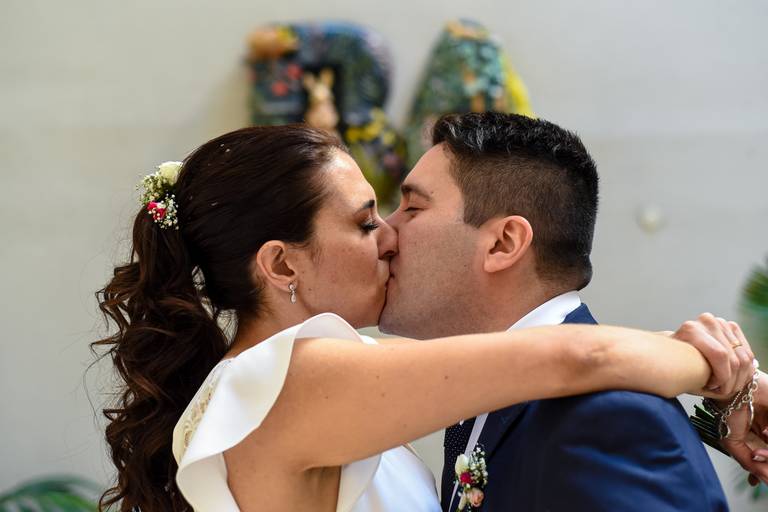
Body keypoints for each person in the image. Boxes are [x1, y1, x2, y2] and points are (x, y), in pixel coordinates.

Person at [94, 124, 754, 512]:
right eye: (363, 221)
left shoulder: (286, 382)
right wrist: (727, 372)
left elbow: (560, 374)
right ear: (283, 265)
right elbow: (581, 357)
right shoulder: (294, 376)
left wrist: (709, 415)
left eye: (404, 209)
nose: (387, 236)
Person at [379, 111, 767, 511]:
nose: (384, 233)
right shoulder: (489, 400)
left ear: (503, 244)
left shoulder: (613, 419)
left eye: (411, 208)